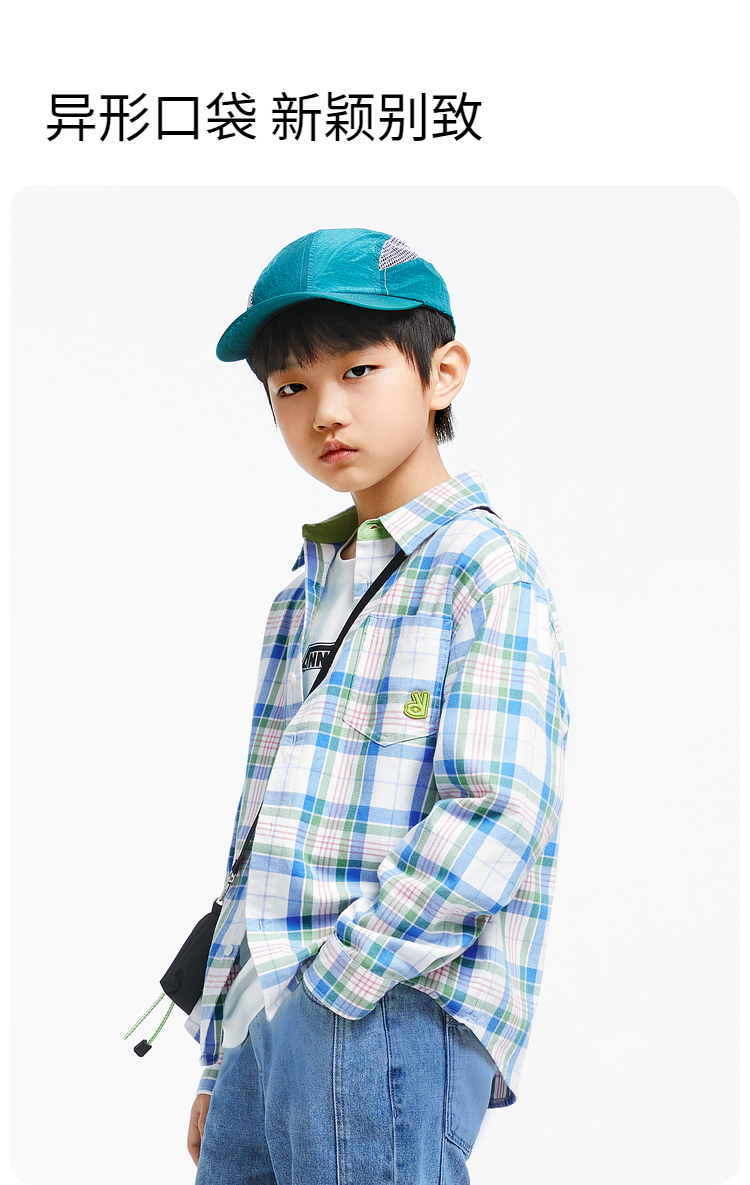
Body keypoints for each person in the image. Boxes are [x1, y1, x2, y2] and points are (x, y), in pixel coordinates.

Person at [185, 227, 570, 1184]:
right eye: (290, 387)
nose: (325, 410)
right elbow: (258, 834)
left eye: (358, 370)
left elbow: (498, 809)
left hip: (386, 1003)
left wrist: (336, 984)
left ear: (443, 374)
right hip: (269, 1012)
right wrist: (225, 1048)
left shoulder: (483, 567)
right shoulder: (302, 596)